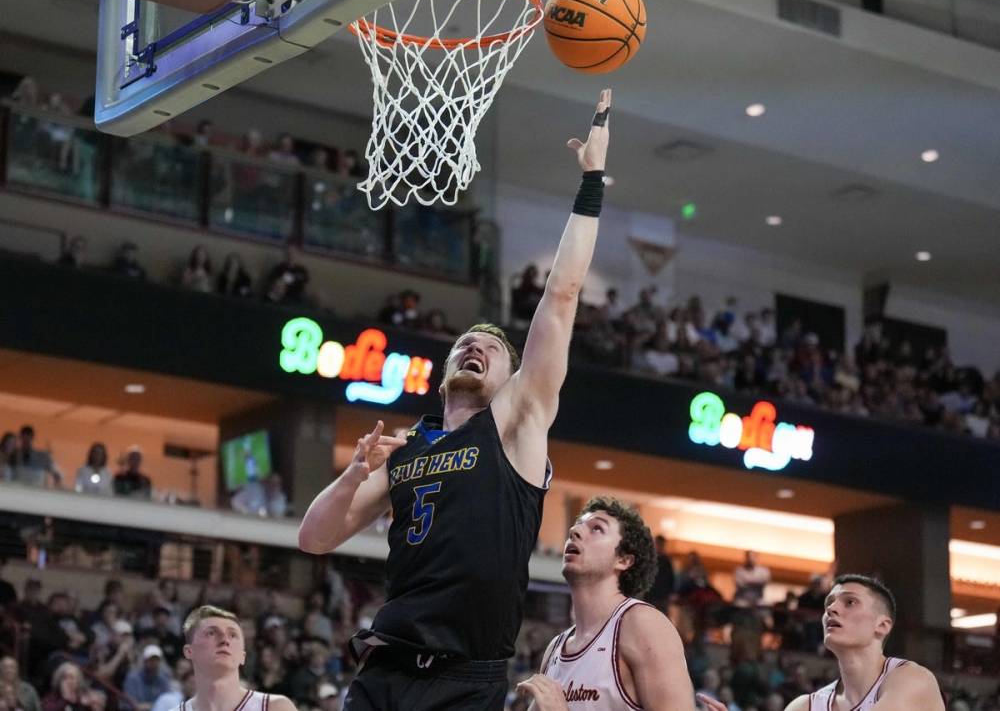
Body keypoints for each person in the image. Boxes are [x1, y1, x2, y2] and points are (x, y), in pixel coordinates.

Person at [298, 89, 614, 711]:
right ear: (443, 376)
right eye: (465, 344)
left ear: (512, 377)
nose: (475, 346)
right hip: (384, 667)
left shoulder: (517, 422)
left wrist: (593, 183)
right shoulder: (406, 448)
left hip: (465, 676)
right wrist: (352, 476)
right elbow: (314, 538)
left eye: (491, 347)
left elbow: (562, 297)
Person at [517, 497, 695, 710]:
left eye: (597, 529)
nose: (575, 531)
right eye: (577, 526)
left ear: (624, 560)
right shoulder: (555, 648)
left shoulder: (643, 624)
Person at [699, 574, 944, 711]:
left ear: (882, 625)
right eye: (829, 603)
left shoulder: (912, 679)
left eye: (849, 602)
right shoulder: (805, 706)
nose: (832, 609)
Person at [168, 606, 295, 711]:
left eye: (232, 635)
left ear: (242, 656)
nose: (224, 640)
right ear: (189, 651)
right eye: (211, 633)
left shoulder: (274, 707)